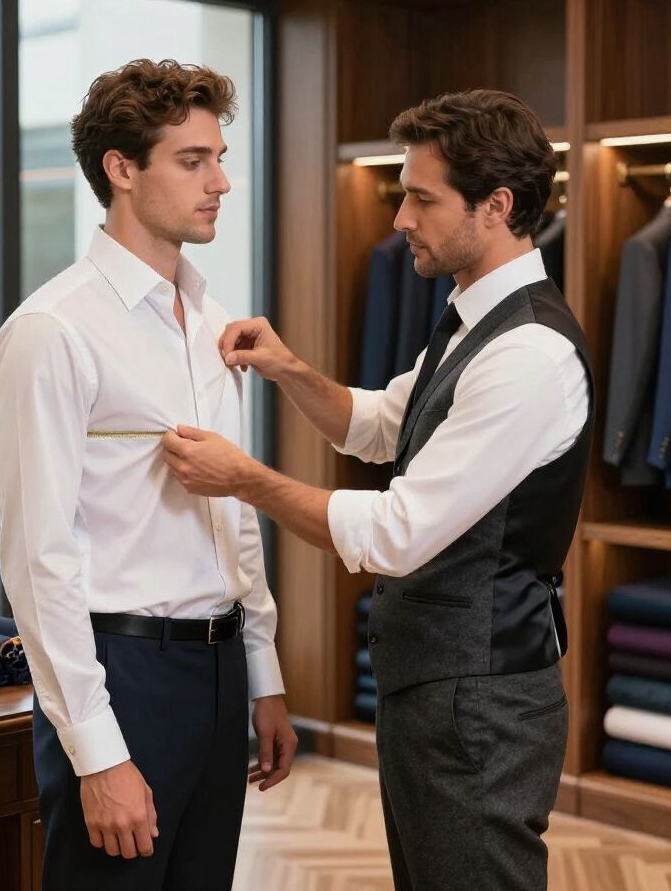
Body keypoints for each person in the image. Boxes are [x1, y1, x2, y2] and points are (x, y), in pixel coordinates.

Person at [162, 89, 594, 891]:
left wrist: (245, 479)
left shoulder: (528, 354)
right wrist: (290, 370)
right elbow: (381, 425)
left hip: (481, 701)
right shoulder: (474, 320)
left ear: (496, 206)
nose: (400, 219)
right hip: (441, 686)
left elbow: (396, 531)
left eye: (422, 199)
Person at [0, 59, 296, 891]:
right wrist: (98, 754)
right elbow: (38, 560)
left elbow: (233, 514)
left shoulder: (214, 323)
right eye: (192, 161)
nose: (222, 182)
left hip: (220, 668)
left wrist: (262, 676)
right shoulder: (50, 331)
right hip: (123, 677)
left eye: (219, 157)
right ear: (121, 169)